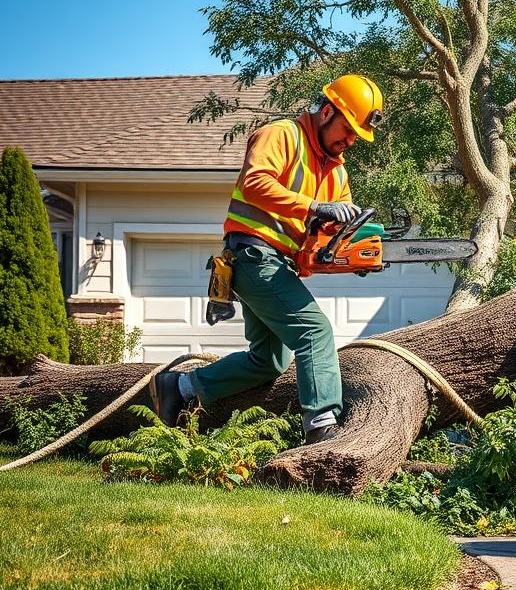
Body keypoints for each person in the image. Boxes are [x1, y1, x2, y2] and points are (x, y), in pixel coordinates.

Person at [150, 74, 385, 444]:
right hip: (252, 254)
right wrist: (313, 207)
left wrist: (347, 255)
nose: (351, 140)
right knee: (315, 331)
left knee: (269, 361)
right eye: (348, 129)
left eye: (357, 135)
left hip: (280, 264)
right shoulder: (282, 134)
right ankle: (322, 426)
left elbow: (318, 243)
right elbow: (255, 182)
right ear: (326, 112)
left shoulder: (337, 171)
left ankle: (180, 387)